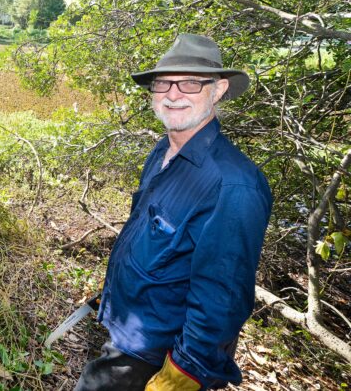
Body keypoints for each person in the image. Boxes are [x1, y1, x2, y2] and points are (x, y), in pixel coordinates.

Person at [75, 34, 272, 391]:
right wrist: (116, 290)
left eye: (191, 83)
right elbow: (146, 236)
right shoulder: (161, 151)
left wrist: (181, 375)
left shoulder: (234, 185)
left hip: (152, 357)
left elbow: (222, 300)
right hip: (126, 327)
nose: (173, 93)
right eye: (163, 82)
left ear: (218, 89)